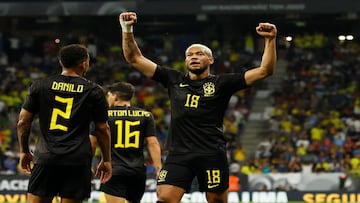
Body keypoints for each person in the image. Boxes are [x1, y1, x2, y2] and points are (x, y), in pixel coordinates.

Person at [119, 11, 277, 203]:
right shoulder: (173, 79)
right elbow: (134, 58)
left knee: (217, 200)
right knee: (165, 197)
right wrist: (127, 29)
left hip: (211, 153)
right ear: (185, 61)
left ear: (210, 60)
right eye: (189, 55)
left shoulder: (222, 83)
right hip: (179, 154)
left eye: (199, 54)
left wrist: (270, 40)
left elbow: (265, 70)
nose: (193, 57)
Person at [17, 44, 112, 203]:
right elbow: (102, 128)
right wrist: (106, 159)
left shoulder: (40, 86)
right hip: (77, 160)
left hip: (46, 157)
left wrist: (24, 151)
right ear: (84, 63)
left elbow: (23, 122)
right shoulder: (94, 91)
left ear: (61, 62)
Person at [90, 81, 162, 203]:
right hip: (137, 171)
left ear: (115, 97)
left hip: (114, 170)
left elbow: (92, 143)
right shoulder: (146, 115)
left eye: (109, 95)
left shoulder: (103, 116)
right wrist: (159, 167)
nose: (108, 98)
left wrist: (88, 165)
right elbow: (153, 143)